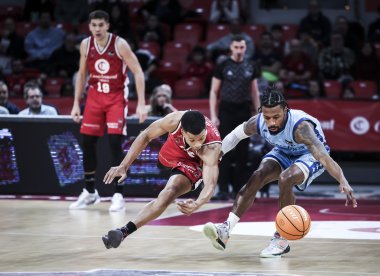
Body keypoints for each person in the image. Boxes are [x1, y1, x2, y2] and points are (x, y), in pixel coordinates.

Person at [203, 85, 357, 258]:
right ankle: (225, 229)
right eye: (267, 117)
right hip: (284, 150)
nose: (272, 122)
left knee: (286, 178)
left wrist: (343, 180)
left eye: (276, 117)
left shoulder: (301, 128)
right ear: (261, 112)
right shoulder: (259, 121)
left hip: (310, 156)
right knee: (257, 176)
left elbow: (323, 157)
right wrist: (218, 153)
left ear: (285, 110)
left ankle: (282, 239)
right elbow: (235, 135)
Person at [101, 110, 222, 249]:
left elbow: (210, 185)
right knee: (160, 163)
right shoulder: (173, 121)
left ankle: (123, 231)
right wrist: (124, 165)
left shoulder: (211, 148)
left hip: (194, 162)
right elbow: (146, 135)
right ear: (182, 131)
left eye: (200, 138)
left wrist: (197, 204)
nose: (197, 145)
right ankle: (171, 160)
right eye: (192, 140)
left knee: (169, 193)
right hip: (173, 151)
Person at [69, 10, 147, 212]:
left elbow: (138, 71)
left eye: (100, 25)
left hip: (115, 97)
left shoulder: (120, 44)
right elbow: (82, 74)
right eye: (93, 25)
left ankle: (118, 194)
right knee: (87, 142)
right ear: (89, 26)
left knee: (114, 142)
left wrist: (140, 102)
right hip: (94, 96)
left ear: (108, 25)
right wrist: (76, 103)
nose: (97, 29)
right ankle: (89, 192)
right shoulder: (86, 45)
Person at [209, 34, 260, 200]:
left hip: (244, 111)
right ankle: (223, 189)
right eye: (236, 47)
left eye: (242, 47)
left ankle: (239, 190)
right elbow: (214, 91)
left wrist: (258, 114)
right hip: (226, 110)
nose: (239, 50)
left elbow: (254, 91)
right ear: (231, 48)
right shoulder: (223, 65)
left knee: (242, 153)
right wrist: (213, 115)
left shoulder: (251, 66)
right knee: (224, 150)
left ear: (245, 48)